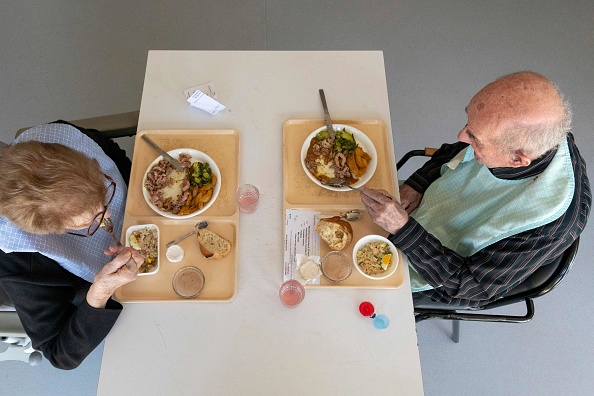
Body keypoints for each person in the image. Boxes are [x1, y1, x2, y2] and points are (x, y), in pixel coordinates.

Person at [360, 71, 591, 308]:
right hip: (420, 214)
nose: (460, 136)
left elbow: (470, 287)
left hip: (440, 276)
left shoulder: (551, 223)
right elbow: (457, 150)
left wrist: (403, 229)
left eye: (474, 138)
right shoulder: (536, 135)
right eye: (468, 123)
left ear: (517, 160)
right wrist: (419, 183)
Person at [0, 121, 142, 369]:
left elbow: (113, 153)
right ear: (53, 231)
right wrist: (99, 292)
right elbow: (60, 355)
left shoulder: (59, 135)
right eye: (92, 223)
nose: (108, 218)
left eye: (105, 191)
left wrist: (143, 205)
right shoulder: (23, 262)